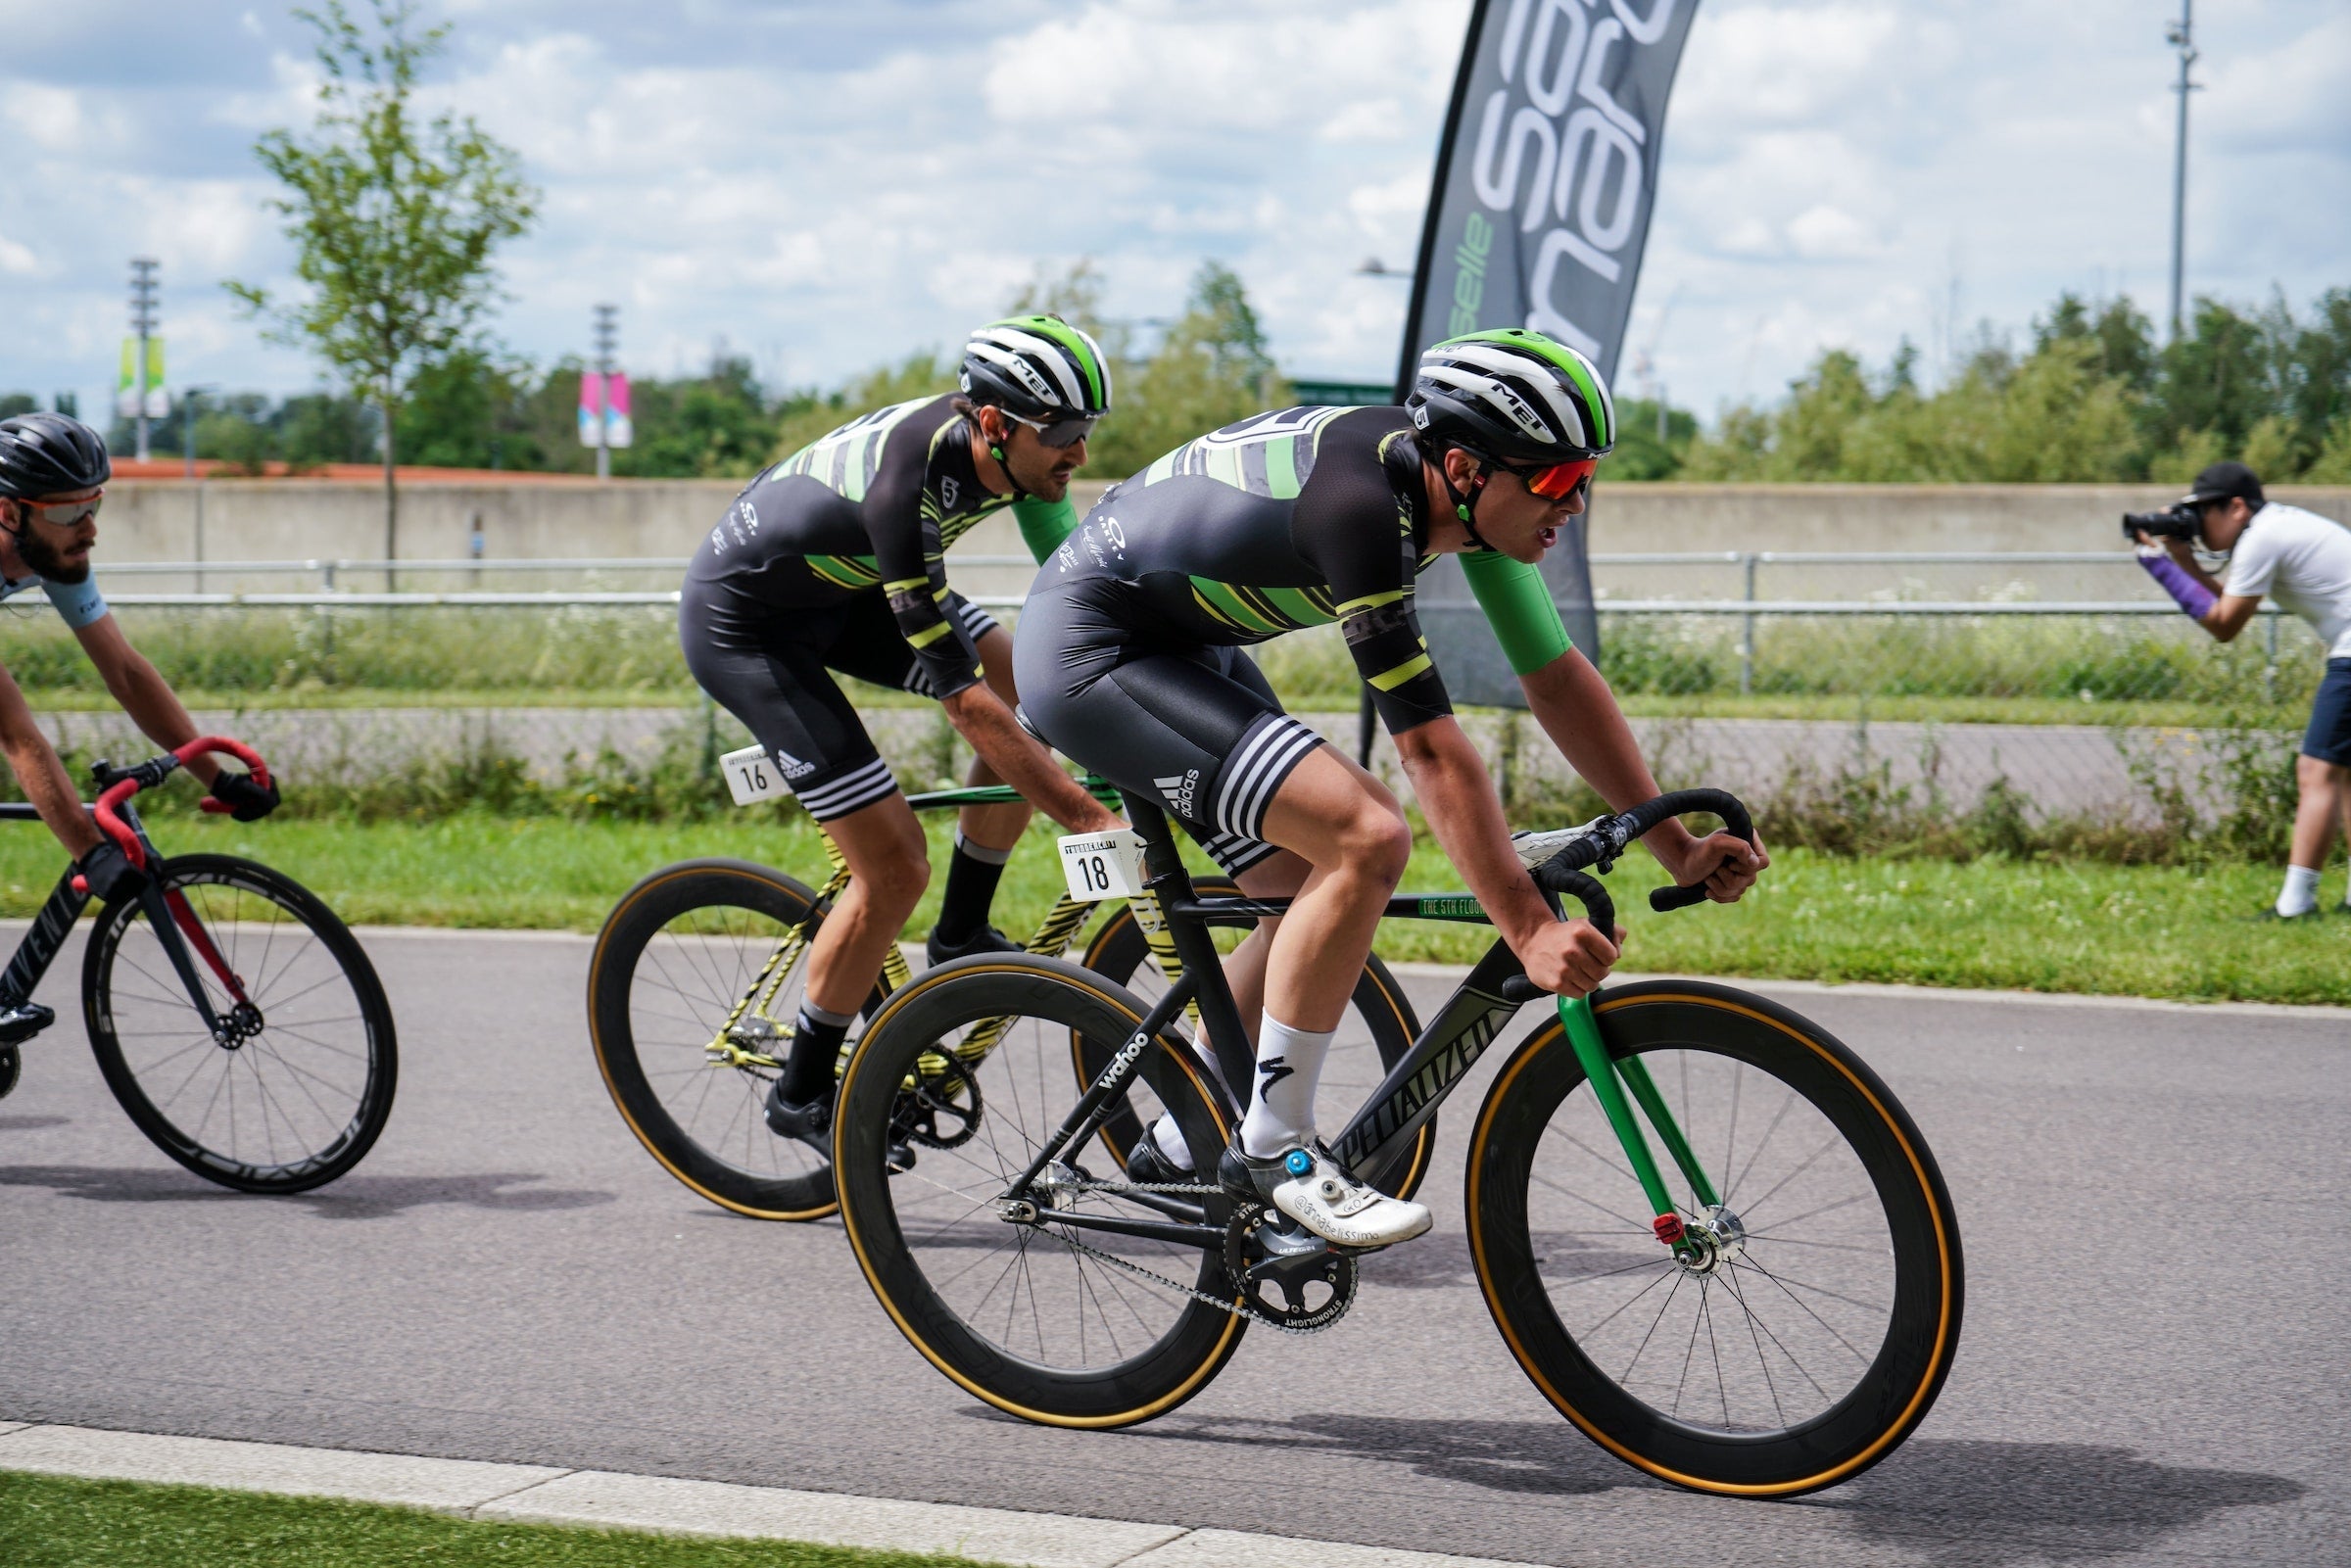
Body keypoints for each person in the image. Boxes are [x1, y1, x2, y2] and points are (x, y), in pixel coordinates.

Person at [1014, 329, 1766, 1248]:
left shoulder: (1469, 501)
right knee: (1367, 833)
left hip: (1172, 644)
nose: (1572, 505)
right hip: (1087, 654)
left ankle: (1182, 1134)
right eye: (1558, 482)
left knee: (1301, 890)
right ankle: (1277, 1152)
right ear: (1463, 464)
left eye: (1585, 481)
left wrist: (1676, 843)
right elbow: (1432, 754)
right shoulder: (1362, 507)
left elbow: (1558, 678)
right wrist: (1526, 927)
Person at [678, 316, 1128, 1147]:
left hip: (842, 591)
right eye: (1063, 433)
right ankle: (804, 1088)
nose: (1079, 455)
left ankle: (960, 932)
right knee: (891, 865)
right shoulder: (905, 489)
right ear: (994, 423)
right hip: (750, 627)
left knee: (1035, 679)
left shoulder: (1018, 451)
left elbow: (1072, 572)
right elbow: (964, 705)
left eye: (1087, 430)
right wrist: (1087, 818)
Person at [0, 413, 279, 1042]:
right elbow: (16, 734)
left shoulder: (54, 552)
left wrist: (218, 777)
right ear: (10, 513)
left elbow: (124, 672)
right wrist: (88, 849)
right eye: (71, 514)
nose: (90, 531)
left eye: (94, 507)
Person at [2134, 459, 2351, 919]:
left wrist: (2161, 569)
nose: (2195, 526)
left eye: (2202, 514)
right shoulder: (2275, 527)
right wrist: (2185, 561)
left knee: (2317, 772)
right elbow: (2229, 602)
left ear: (2235, 507)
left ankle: (2296, 905)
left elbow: (2224, 625)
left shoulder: (2261, 538)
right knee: (2343, 776)